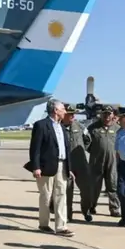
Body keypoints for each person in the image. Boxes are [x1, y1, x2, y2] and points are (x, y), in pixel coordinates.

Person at [26, 99, 74, 237]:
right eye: (63, 109)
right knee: (46, 196)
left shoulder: (62, 127)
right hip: (46, 166)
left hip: (62, 165)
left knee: (61, 196)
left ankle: (61, 226)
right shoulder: (41, 125)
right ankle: (44, 224)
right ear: (55, 111)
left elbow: (65, 148)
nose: (65, 111)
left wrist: (68, 167)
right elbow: (35, 148)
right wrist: (36, 167)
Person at [86, 106, 121, 217]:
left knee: (113, 185)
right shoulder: (93, 128)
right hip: (96, 161)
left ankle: (114, 208)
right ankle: (91, 206)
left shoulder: (118, 129)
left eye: (109, 114)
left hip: (113, 162)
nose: (106, 116)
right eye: (104, 114)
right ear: (101, 115)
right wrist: (96, 152)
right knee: (94, 186)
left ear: (112, 115)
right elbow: (86, 144)